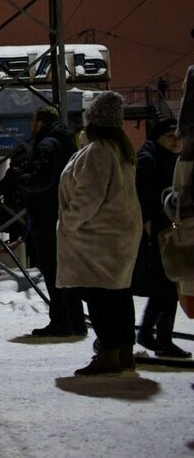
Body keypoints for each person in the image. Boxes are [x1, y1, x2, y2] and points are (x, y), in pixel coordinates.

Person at [56, 91, 142, 375]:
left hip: (97, 238)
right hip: (117, 234)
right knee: (118, 295)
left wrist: (68, 222)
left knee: (98, 296)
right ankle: (124, 352)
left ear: (92, 122)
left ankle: (108, 354)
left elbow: (88, 195)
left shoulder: (98, 151)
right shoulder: (120, 150)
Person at [11, 105, 84, 336]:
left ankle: (61, 322)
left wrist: (19, 177)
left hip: (47, 215)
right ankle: (76, 321)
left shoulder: (46, 144)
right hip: (66, 213)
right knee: (68, 272)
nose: (31, 125)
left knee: (53, 272)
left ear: (39, 121)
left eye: (33, 119)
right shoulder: (67, 142)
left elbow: (40, 181)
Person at [133, 117, 191, 358]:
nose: (176, 142)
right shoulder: (150, 159)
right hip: (159, 233)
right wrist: (148, 224)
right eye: (170, 137)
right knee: (166, 285)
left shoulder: (167, 158)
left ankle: (150, 333)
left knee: (167, 285)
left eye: (178, 137)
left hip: (169, 231)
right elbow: (141, 196)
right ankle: (160, 338)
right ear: (158, 138)